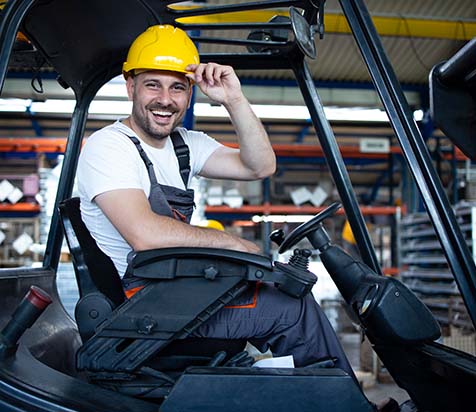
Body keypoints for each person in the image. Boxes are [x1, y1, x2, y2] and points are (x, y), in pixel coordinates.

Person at [76, 24, 355, 377]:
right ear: (130, 86)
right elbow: (144, 233)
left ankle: (323, 392)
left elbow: (261, 166)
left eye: (178, 87)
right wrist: (233, 244)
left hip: (174, 290)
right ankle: (342, 401)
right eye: (153, 84)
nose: (165, 99)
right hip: (145, 308)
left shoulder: (184, 145)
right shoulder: (110, 146)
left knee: (280, 289)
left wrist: (234, 100)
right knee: (291, 309)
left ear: (190, 92)